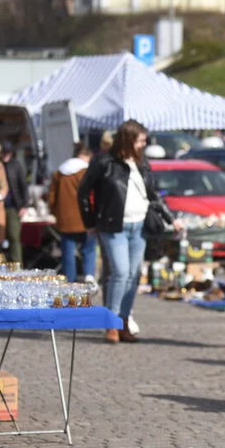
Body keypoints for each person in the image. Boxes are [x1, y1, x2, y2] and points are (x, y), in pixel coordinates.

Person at [77, 120, 182, 344]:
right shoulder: (104, 161)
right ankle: (111, 321)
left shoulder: (142, 163)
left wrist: (171, 219)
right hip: (113, 226)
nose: (144, 144)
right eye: (141, 140)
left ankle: (124, 319)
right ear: (128, 139)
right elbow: (84, 192)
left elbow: (153, 194)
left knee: (134, 275)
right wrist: (89, 222)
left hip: (139, 226)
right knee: (121, 272)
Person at [49, 143, 96, 283]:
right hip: (84, 217)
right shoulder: (86, 172)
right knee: (89, 248)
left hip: (65, 218)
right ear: (86, 156)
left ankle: (70, 278)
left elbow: (51, 198)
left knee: (68, 251)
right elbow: (92, 195)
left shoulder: (59, 172)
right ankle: (89, 274)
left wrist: (56, 212)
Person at [0, 140, 28, 264]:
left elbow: (23, 186)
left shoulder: (16, 165)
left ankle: (16, 264)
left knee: (14, 236)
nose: (5, 155)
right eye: (3, 152)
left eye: (8, 153)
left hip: (12, 205)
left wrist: (24, 205)